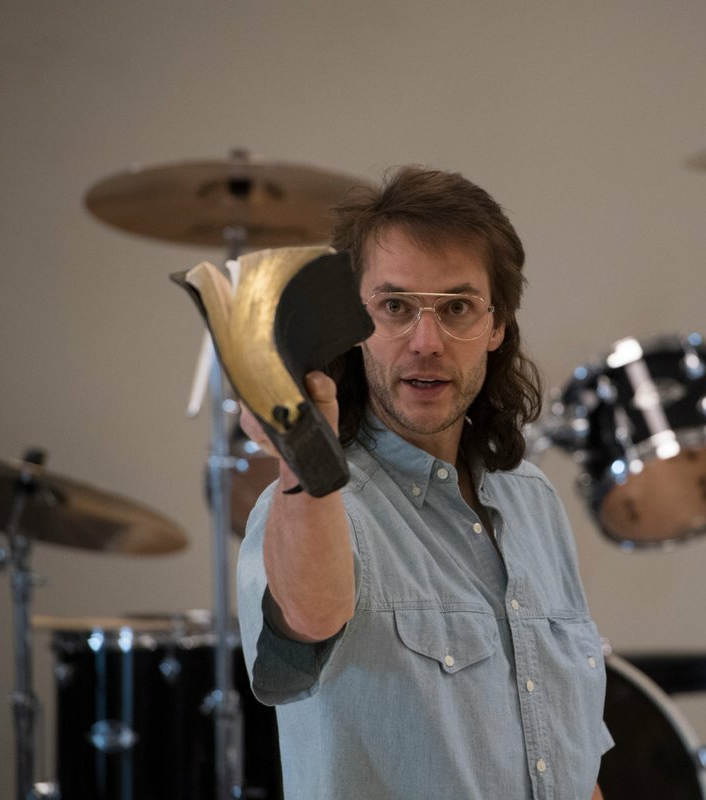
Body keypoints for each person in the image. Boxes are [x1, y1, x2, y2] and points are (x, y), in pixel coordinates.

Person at [237, 166, 611, 799]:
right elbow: (307, 618)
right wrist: (302, 460)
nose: (427, 341)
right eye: (395, 307)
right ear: (352, 325)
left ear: (497, 325)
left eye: (457, 307)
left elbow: (573, 761)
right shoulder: (318, 507)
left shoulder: (534, 500)